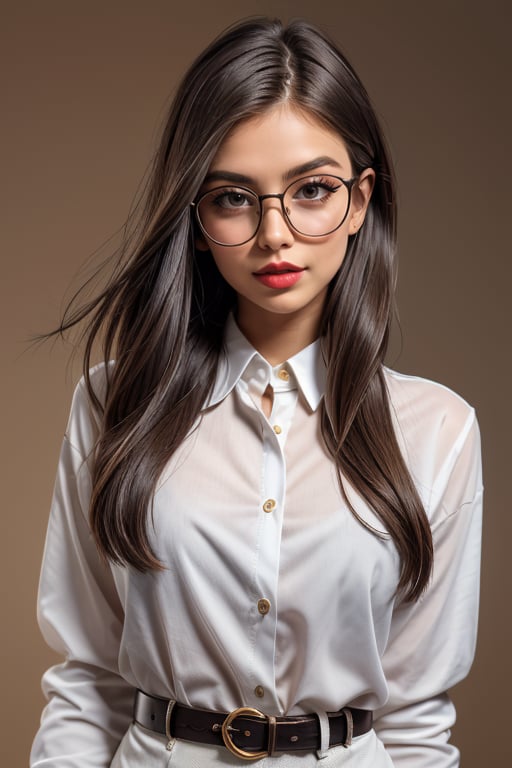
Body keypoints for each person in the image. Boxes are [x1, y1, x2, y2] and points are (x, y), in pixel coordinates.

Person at [30, 16, 482, 768]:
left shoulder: (437, 430)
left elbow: (417, 716)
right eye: (234, 197)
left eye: (311, 190)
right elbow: (86, 680)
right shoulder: (114, 405)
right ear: (198, 219)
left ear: (361, 202)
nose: (276, 233)